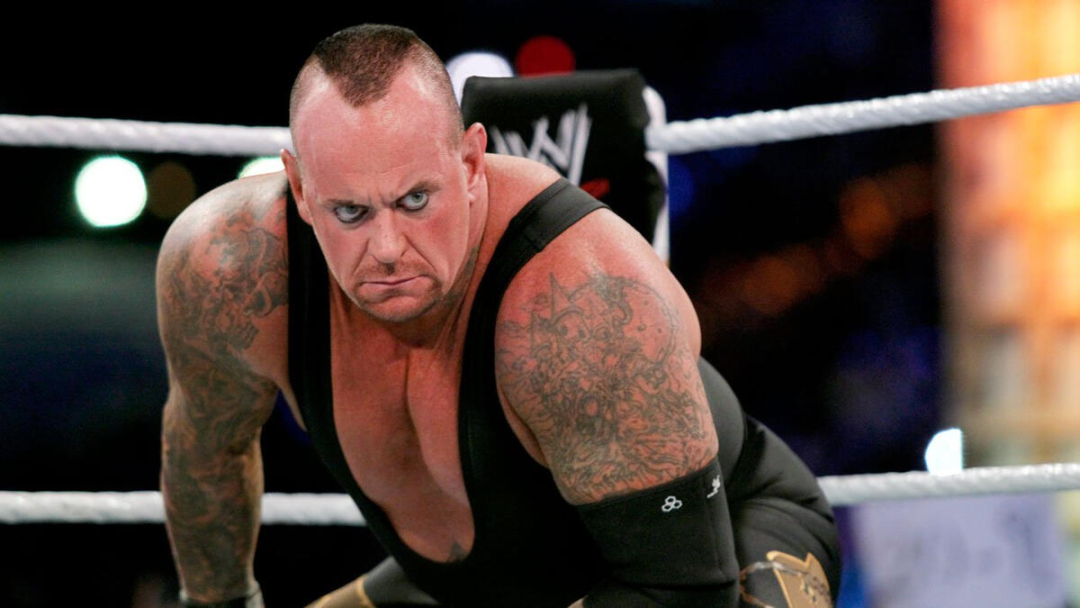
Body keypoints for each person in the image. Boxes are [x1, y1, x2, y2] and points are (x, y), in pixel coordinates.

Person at [157, 24, 840, 608]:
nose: (387, 248)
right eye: (351, 212)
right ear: (301, 189)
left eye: (415, 200)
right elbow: (206, 459)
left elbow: (684, 589)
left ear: (471, 162)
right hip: (478, 580)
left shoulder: (578, 302)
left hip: (717, 551)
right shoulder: (229, 269)